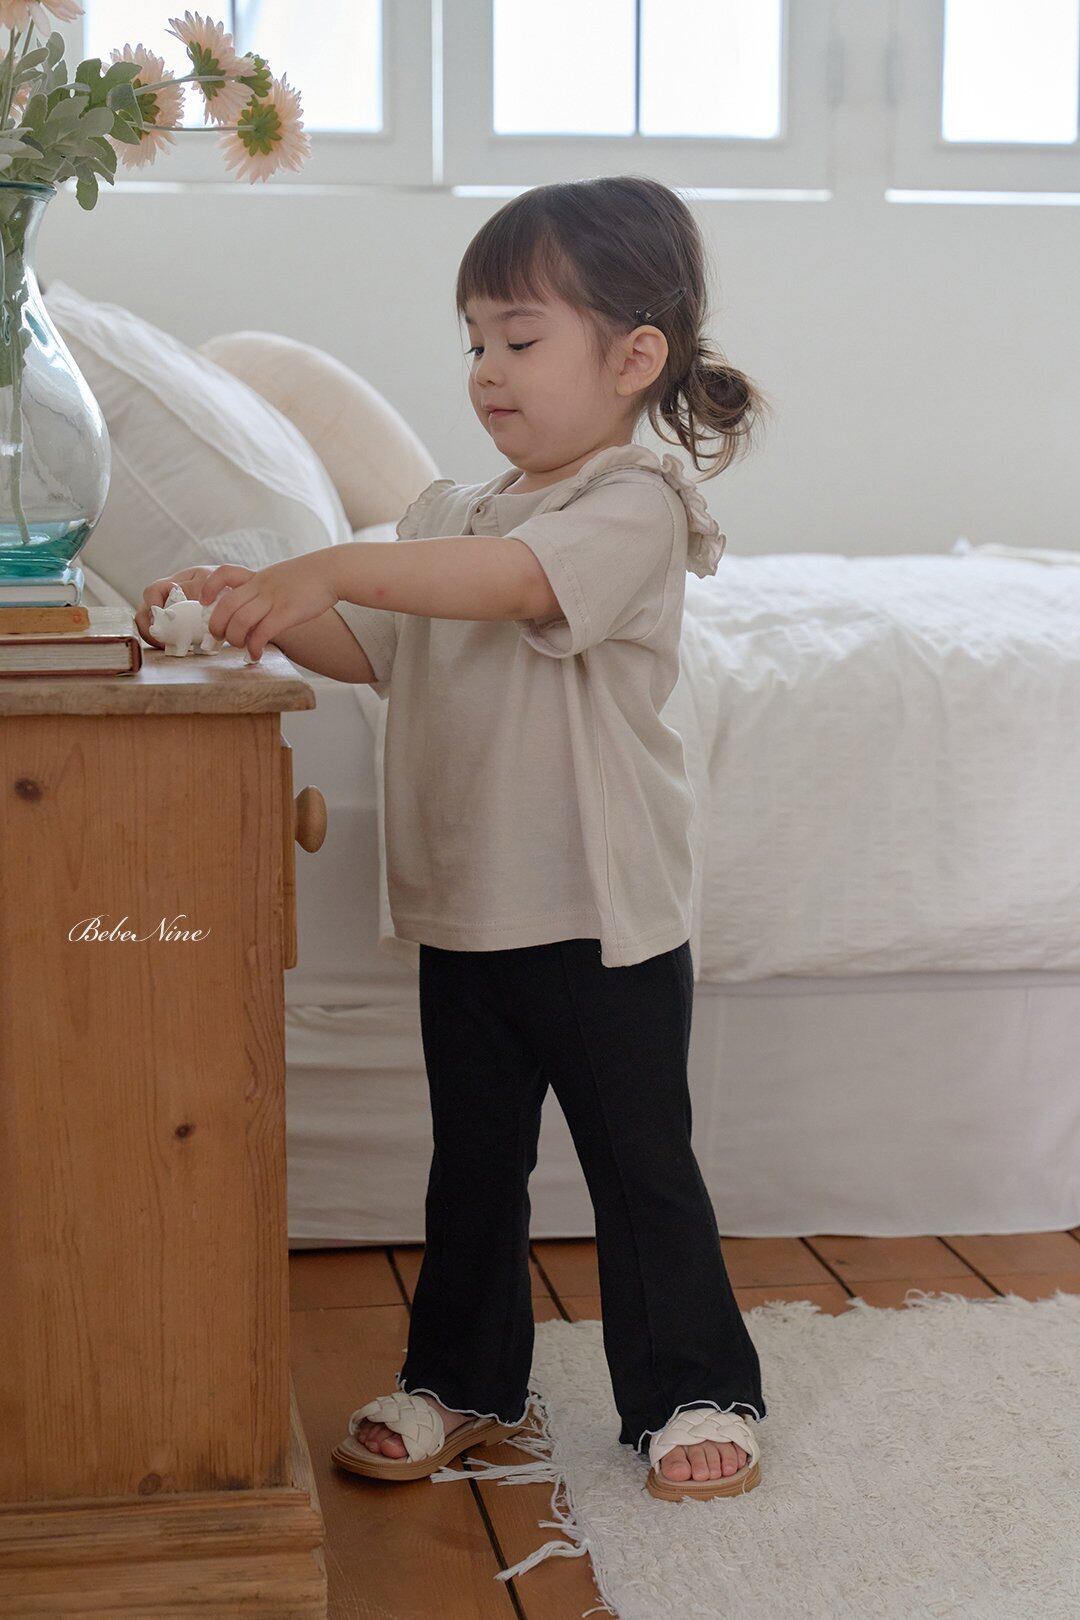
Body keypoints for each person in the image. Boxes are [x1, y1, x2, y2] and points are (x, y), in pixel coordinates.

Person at [137, 174, 771, 1503]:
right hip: (468, 907)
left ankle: (693, 1387)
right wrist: (254, 601)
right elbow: (370, 644)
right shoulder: (446, 516)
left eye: (520, 339)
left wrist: (334, 561)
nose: (486, 369)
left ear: (633, 358)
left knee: (638, 1164)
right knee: (474, 1167)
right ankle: (465, 1380)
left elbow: (516, 588)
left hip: (598, 912)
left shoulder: (634, 504)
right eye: (475, 340)